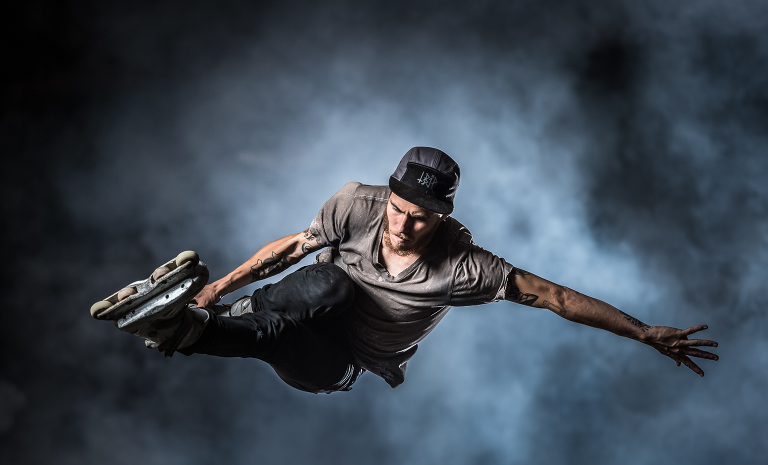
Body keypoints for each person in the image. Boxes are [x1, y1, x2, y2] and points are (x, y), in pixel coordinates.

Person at [145, 147, 718, 393]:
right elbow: (289, 251)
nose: (400, 226)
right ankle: (212, 316)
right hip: (309, 302)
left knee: (277, 337)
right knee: (325, 281)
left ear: (443, 216)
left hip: (340, 361)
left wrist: (643, 332)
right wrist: (215, 287)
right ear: (387, 194)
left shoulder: (466, 267)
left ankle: (192, 334)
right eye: (397, 210)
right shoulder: (356, 204)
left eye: (419, 219)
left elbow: (554, 297)